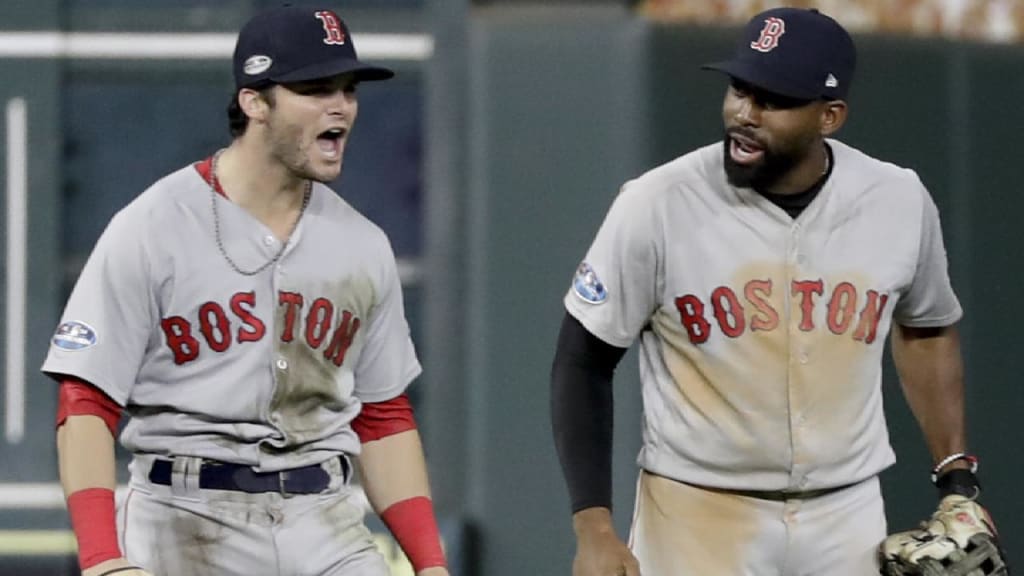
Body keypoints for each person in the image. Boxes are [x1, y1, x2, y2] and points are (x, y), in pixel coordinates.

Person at [550, 7, 999, 575]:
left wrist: (955, 476)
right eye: (740, 89)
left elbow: (927, 328)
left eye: (774, 99)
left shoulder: (897, 199)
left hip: (847, 513)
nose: (745, 112)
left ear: (829, 116)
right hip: (697, 512)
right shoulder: (656, 203)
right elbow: (582, 360)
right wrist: (593, 528)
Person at [43, 5, 447, 576]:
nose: (340, 107)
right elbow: (86, 399)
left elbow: (383, 415)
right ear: (255, 101)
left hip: (323, 521)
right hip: (182, 514)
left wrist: (429, 562)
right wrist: (101, 558)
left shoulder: (362, 244)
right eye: (315, 88)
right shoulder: (154, 225)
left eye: (348, 89)